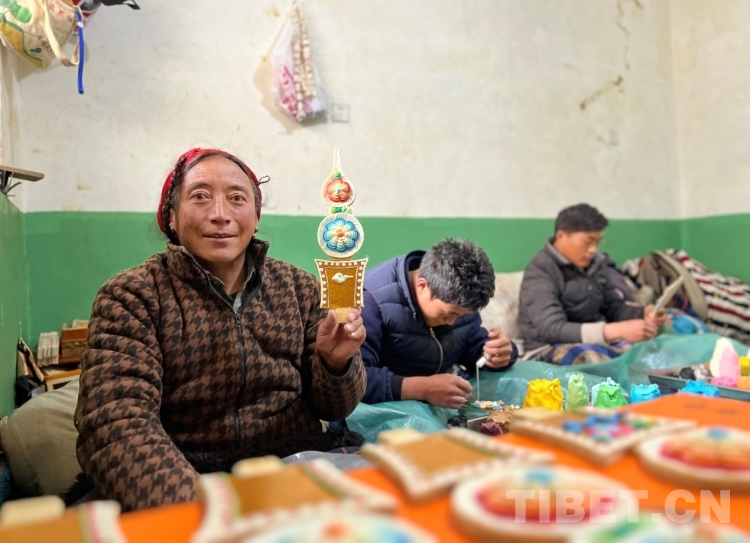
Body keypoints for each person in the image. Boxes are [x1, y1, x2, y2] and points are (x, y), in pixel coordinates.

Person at [74, 148, 367, 511]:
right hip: (182, 471)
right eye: (200, 196)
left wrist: (335, 364)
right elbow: (115, 423)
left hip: (292, 464)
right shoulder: (132, 296)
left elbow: (334, 408)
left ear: (256, 217)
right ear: (171, 216)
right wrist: (204, 512)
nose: (220, 214)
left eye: (237, 198)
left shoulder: (300, 288)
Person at [360, 238, 518, 409]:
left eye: (463, 315)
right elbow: (353, 380)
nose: (452, 323)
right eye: (449, 314)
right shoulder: (370, 301)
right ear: (422, 286)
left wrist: (498, 353)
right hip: (387, 410)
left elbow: (471, 347)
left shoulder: (460, 298)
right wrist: (422, 389)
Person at [517, 203, 667, 362]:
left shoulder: (597, 264)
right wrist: (616, 330)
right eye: (587, 242)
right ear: (561, 236)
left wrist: (643, 313)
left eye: (597, 242)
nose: (593, 250)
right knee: (589, 356)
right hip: (549, 348)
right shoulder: (540, 271)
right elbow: (552, 329)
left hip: (595, 342)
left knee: (650, 347)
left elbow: (612, 307)